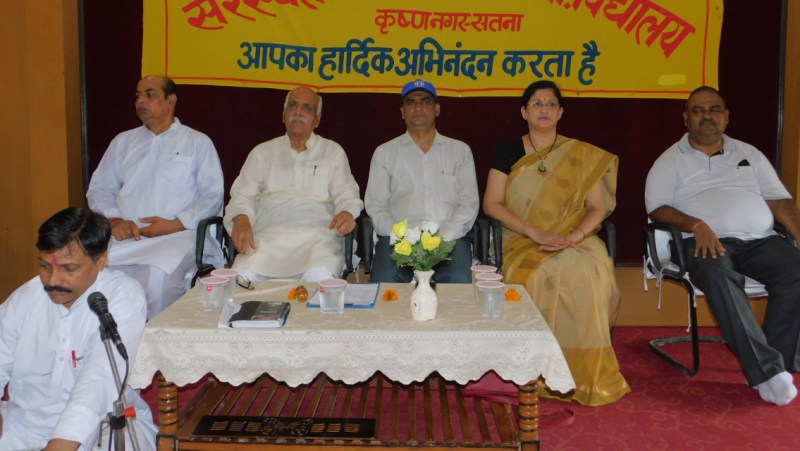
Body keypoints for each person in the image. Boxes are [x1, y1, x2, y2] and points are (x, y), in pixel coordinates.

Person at [645, 86, 800, 406]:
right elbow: (657, 208)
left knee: (797, 272)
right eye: (698, 111)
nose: (707, 116)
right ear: (686, 118)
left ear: (726, 117)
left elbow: (780, 201)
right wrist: (696, 225)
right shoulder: (670, 160)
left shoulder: (750, 154)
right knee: (719, 275)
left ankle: (778, 364)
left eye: (714, 109)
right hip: (701, 242)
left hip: (760, 241)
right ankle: (768, 372)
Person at [483, 80, 629, 406]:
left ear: (561, 111)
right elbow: (492, 204)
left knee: (589, 274)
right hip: (519, 238)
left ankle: (581, 373)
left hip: (574, 237)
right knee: (534, 277)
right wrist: (533, 232)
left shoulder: (580, 154)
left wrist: (574, 236)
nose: (544, 110)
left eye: (551, 104)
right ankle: (532, 371)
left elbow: (598, 208)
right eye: (537, 104)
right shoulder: (509, 150)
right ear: (524, 112)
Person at [0, 207, 157, 450]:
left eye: (68, 269)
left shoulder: (121, 296)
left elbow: (97, 383)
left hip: (102, 427)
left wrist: (59, 446)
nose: (52, 280)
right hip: (22, 427)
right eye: (44, 266)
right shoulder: (25, 299)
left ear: (101, 260)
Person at [87, 75, 224, 320]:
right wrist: (115, 221)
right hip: (126, 235)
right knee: (92, 269)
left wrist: (176, 223)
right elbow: (99, 189)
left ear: (171, 101)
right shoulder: (123, 142)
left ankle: (154, 347)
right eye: (138, 96)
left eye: (149, 94)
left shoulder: (197, 142)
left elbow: (212, 196)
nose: (141, 101)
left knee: (157, 277)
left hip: (178, 236)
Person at [223, 87, 362, 281]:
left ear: (317, 120)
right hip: (267, 239)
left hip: (318, 239)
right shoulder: (262, 152)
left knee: (318, 280)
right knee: (242, 280)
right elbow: (242, 195)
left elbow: (348, 194)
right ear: (283, 114)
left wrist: (347, 212)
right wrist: (241, 219)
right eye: (293, 105)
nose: (298, 112)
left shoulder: (332, 152)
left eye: (307, 108)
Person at [364, 79, 479, 283]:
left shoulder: (460, 151)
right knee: (384, 281)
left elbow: (469, 204)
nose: (418, 106)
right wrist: (403, 237)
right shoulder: (384, 153)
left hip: (448, 239)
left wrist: (441, 237)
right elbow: (376, 206)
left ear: (437, 109)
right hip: (398, 242)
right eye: (411, 102)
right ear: (402, 111)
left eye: (425, 101)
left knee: (457, 279)